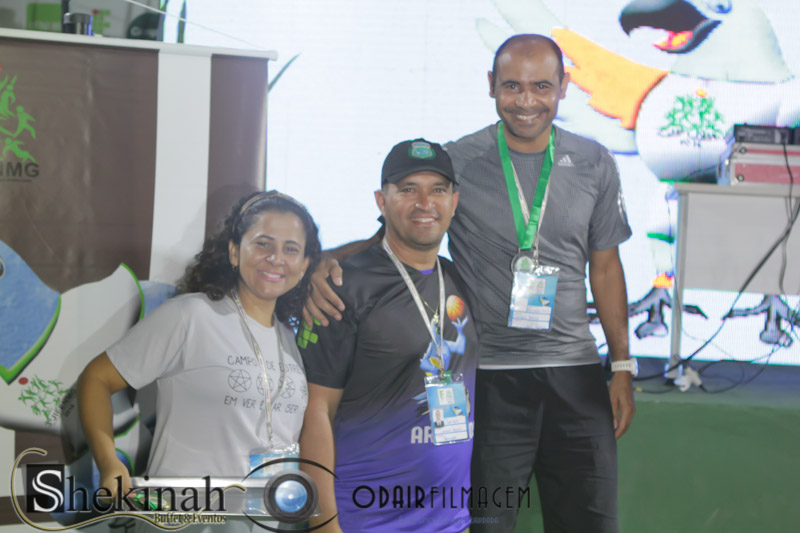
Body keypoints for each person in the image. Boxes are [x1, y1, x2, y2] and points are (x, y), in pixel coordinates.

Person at [304, 34, 635, 533]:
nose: (526, 101)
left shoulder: (595, 161)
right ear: (491, 85)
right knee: (486, 523)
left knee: (589, 523)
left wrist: (623, 364)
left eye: (541, 86)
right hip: (491, 379)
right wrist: (323, 264)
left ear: (564, 87)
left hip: (576, 373)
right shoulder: (458, 161)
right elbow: (395, 232)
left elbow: (606, 267)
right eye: (512, 86)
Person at [78, 191, 321, 508]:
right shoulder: (190, 316)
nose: (276, 258)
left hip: (264, 517)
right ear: (234, 252)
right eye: (263, 243)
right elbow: (96, 379)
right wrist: (109, 463)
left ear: (303, 266)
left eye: (290, 249)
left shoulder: (289, 339)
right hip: (185, 516)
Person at [298, 139, 478, 533]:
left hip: (450, 523)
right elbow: (315, 412)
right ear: (382, 201)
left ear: (454, 201)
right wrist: (324, 524)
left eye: (438, 190)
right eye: (408, 189)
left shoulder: (459, 278)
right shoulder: (342, 288)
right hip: (365, 521)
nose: (425, 203)